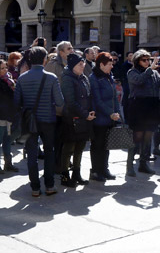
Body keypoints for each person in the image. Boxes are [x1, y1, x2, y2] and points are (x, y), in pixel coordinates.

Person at [14, 46, 64, 196]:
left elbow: (17, 102)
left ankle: (35, 187)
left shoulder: (22, 78)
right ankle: (49, 185)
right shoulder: (51, 78)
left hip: (29, 121)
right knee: (49, 152)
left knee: (32, 154)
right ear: (44, 60)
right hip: (48, 120)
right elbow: (60, 102)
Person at [126, 50, 160, 176]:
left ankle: (143, 164)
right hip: (138, 107)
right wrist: (150, 69)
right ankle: (129, 165)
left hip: (152, 107)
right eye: (144, 60)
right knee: (137, 137)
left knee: (148, 137)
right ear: (137, 61)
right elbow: (139, 81)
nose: (147, 62)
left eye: (148, 60)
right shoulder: (132, 72)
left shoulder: (154, 73)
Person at [59, 53, 93, 187]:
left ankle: (76, 174)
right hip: (72, 118)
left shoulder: (83, 78)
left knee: (80, 147)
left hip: (84, 118)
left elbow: (89, 96)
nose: (83, 66)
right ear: (73, 66)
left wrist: (90, 112)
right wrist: (85, 114)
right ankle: (65, 175)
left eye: (83, 63)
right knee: (69, 148)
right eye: (80, 64)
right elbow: (70, 102)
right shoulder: (67, 79)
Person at [89, 52, 121, 180]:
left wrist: (117, 113)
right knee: (97, 145)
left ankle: (104, 169)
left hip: (110, 118)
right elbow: (97, 100)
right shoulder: (94, 78)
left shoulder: (109, 76)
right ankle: (95, 171)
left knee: (107, 145)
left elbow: (114, 97)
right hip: (99, 118)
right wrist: (110, 113)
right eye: (109, 64)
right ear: (101, 65)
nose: (112, 66)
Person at [0, 59, 19, 174]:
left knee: (7, 141)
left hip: (9, 115)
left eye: (6, 67)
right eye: (2, 68)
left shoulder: (9, 80)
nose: (5, 70)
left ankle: (8, 164)